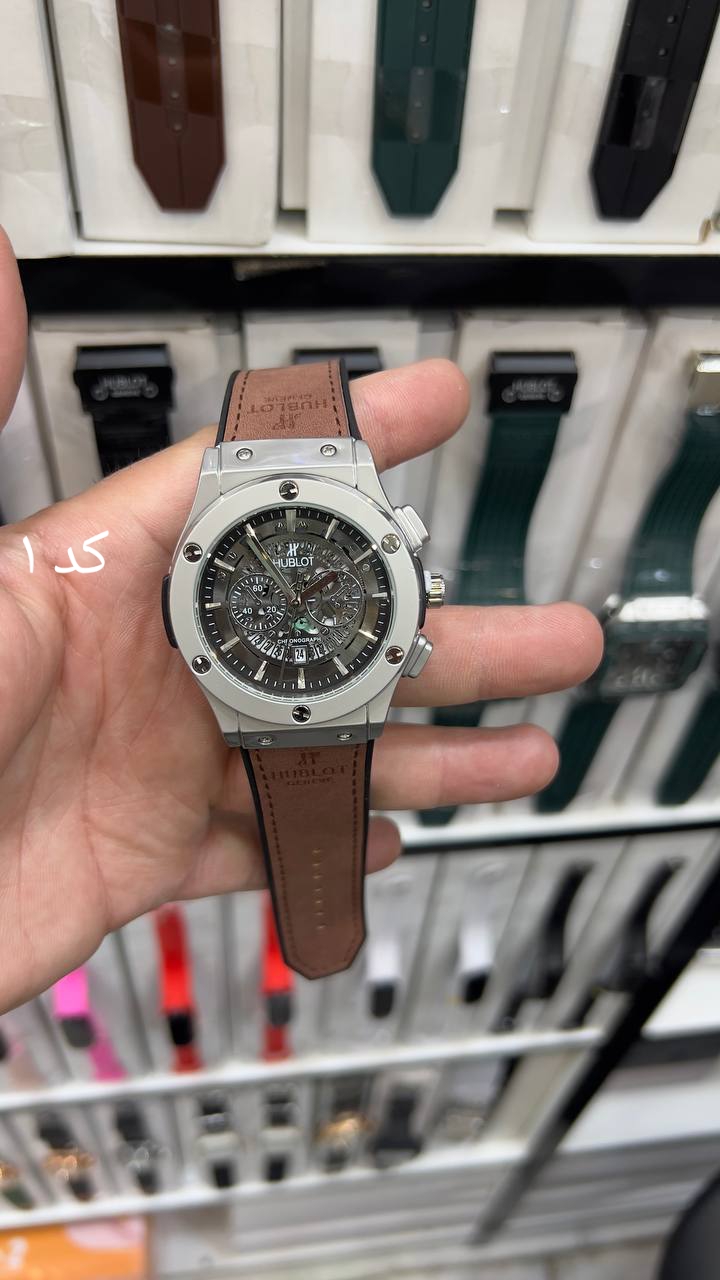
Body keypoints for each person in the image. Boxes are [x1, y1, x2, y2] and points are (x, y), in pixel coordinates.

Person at [0, 230, 602, 1012]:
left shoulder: (300, 588)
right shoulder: (218, 620)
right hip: (269, 687)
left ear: (416, 589)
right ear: (187, 613)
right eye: (279, 598)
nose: (291, 607)